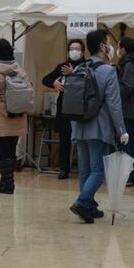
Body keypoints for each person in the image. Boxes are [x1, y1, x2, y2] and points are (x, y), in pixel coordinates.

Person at [69, 29, 128, 224]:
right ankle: (82, 201)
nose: (111, 46)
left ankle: (90, 207)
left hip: (79, 127)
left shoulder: (79, 69)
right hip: (98, 127)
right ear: (103, 46)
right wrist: (121, 130)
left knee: (85, 170)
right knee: (98, 171)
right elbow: (114, 104)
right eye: (109, 43)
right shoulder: (108, 71)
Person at [0, 38, 31, 195]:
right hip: (19, 116)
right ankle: (5, 181)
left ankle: (8, 184)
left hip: (2, 118)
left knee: (2, 151)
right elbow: (28, 93)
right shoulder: (20, 71)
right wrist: (18, 111)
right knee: (11, 151)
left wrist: (6, 112)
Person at [42, 39, 86, 179]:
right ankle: (64, 168)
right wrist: (54, 83)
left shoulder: (86, 66)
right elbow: (46, 79)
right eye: (72, 48)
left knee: (82, 138)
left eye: (77, 49)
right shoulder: (63, 66)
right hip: (64, 107)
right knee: (64, 138)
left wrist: (74, 74)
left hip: (81, 107)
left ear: (83, 51)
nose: (74, 51)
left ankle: (84, 167)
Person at [117, 37, 134, 187]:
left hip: (127, 110)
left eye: (118, 46)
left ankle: (130, 176)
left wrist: (114, 87)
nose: (117, 50)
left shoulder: (129, 65)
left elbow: (127, 87)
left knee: (127, 144)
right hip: (130, 110)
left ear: (123, 49)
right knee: (130, 143)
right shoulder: (129, 64)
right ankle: (132, 176)